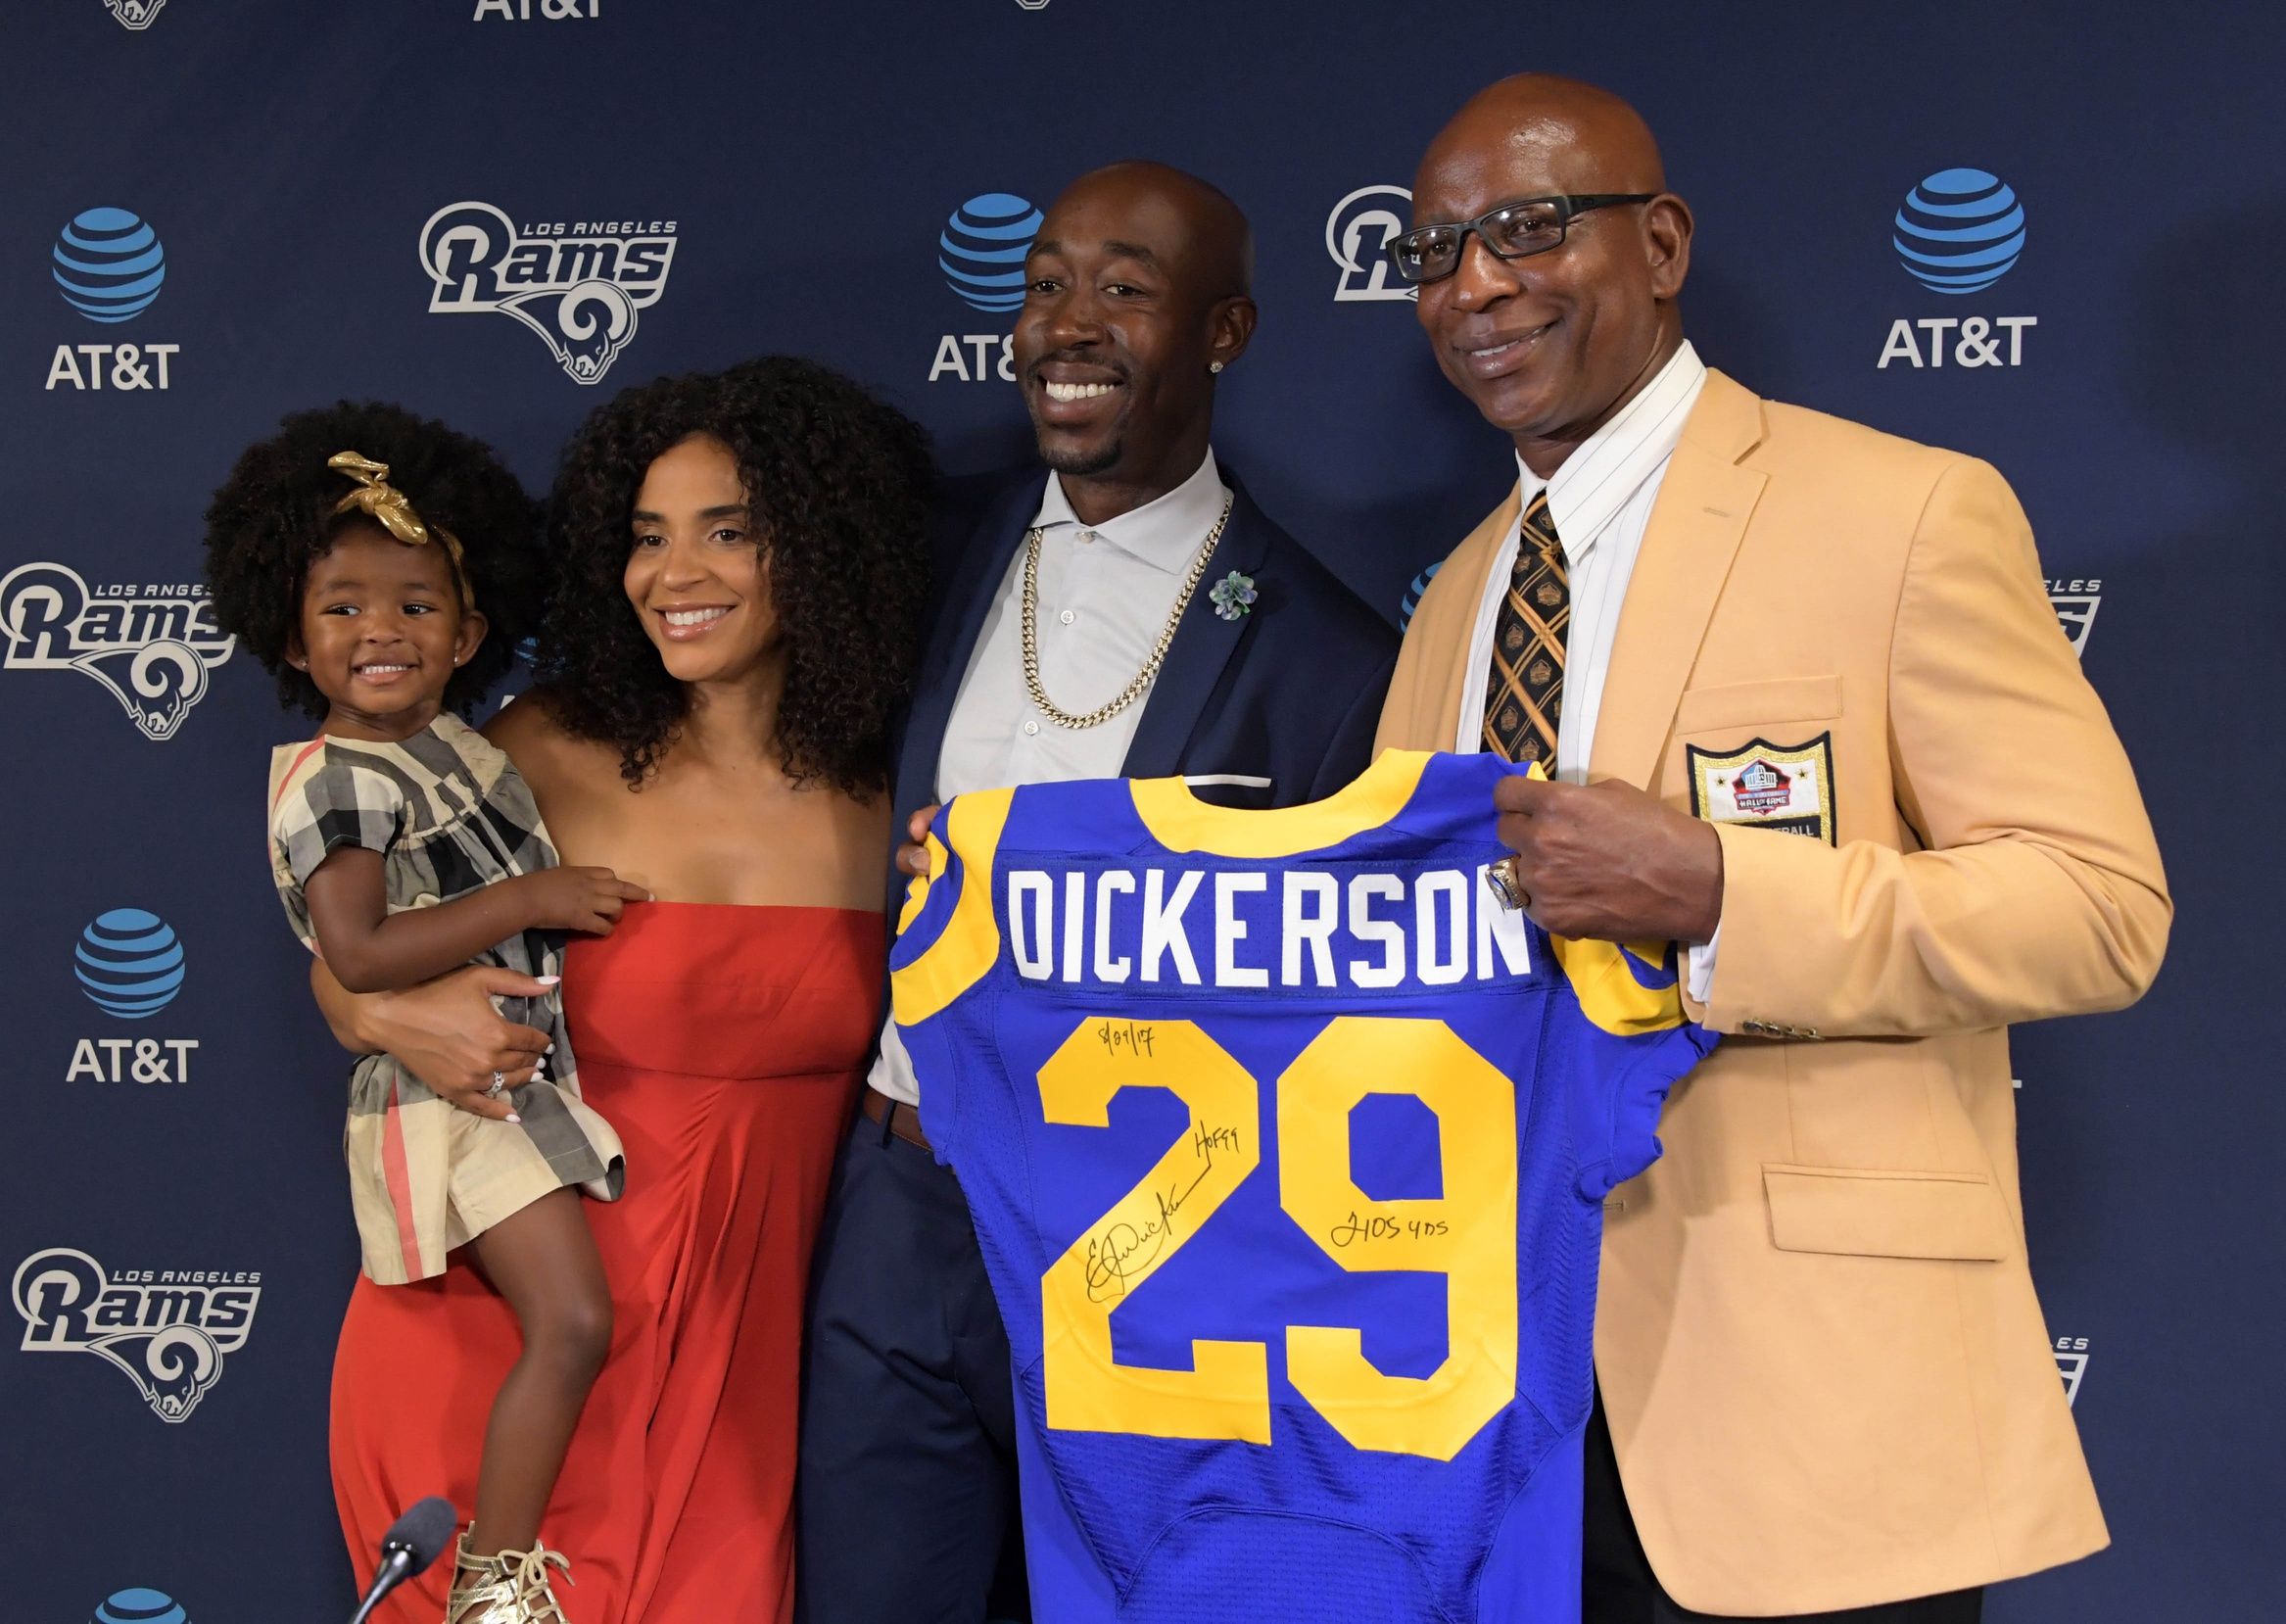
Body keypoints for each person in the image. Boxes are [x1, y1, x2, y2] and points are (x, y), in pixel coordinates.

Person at [1374, 74, 2170, 1622]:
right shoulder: (1456, 598)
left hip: (1808, 1428)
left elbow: (2098, 906)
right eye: (1435, 251)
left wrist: (1724, 895)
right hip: (1500, 1420)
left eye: (1527, 229)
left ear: (1659, 244)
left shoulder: (1903, 511)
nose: (1474, 283)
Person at [795, 161, 1400, 1624]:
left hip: (1145, 1223)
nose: (1067, 323)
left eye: (1124, 289)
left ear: (1224, 332)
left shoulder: (1322, 648)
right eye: (1046, 282)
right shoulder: (918, 550)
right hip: (902, 1190)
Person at [311, 359, 933, 1624]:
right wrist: (374, 1011)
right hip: (506, 1350)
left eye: (726, 530)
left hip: (750, 1379)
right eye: (647, 536)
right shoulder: (536, 748)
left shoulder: (899, 786)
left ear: (822, 545)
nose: (672, 574)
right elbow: (355, 949)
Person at [207, 404, 643, 1622]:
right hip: (460, 1096)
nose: (379, 631)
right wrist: (536, 893)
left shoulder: (449, 745)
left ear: (470, 633)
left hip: (513, 1076)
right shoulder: (337, 778)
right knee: (569, 1318)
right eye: (342, 606)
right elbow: (357, 947)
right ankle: (495, 1586)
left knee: (566, 1323)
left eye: (415, 604)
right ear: (291, 638)